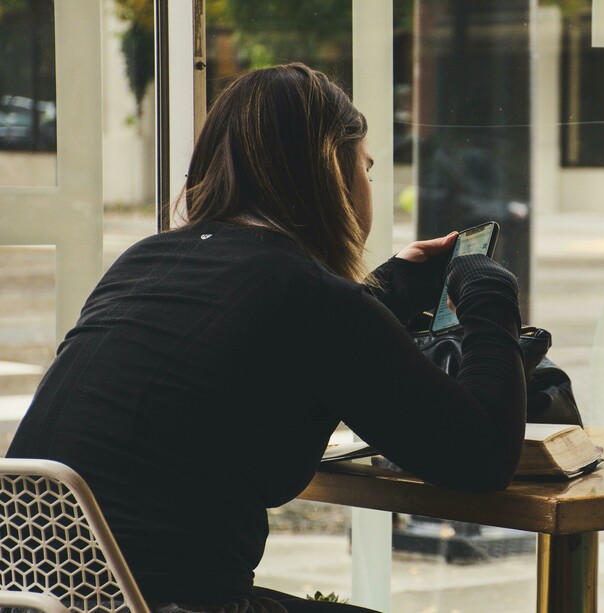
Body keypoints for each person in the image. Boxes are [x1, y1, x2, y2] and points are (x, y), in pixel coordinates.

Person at [7, 63, 526, 612]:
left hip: (40, 598)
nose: (367, 188)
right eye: (366, 170)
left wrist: (386, 288)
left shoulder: (146, 260)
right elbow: (483, 457)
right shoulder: (309, 297)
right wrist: (490, 291)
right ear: (333, 171)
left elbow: (262, 341)